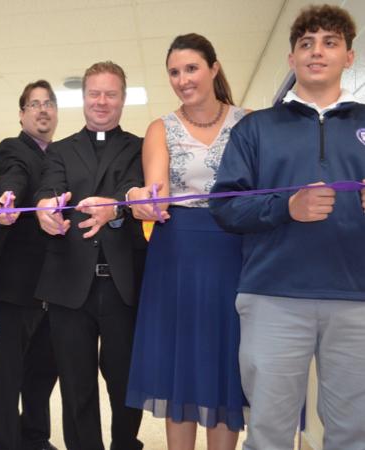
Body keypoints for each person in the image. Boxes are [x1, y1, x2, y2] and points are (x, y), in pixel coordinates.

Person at [209, 5, 365, 449]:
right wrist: (286, 207)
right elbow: (225, 208)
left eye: (330, 43)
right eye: (306, 43)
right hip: (272, 298)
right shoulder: (255, 128)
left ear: (349, 57)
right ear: (291, 58)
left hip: (356, 300)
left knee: (354, 432)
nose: (317, 52)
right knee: (270, 431)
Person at [125, 34, 247, 450]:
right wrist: (144, 200)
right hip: (176, 253)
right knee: (180, 366)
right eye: (174, 72)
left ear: (214, 68)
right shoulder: (161, 127)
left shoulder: (249, 123)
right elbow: (156, 187)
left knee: (223, 362)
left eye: (191, 68)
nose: (182, 79)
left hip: (234, 251)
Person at [34, 61, 145, 450]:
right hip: (69, 286)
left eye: (110, 94)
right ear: (82, 98)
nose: (101, 101)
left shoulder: (140, 147)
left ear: (123, 99)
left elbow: (136, 190)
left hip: (122, 286)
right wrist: (46, 206)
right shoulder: (60, 151)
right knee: (75, 382)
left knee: (124, 381)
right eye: (94, 93)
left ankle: (125, 445)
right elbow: (50, 189)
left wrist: (116, 207)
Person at [0, 80, 59, 450]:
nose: (42, 110)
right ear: (22, 114)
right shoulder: (14, 147)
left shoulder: (62, 154)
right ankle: (2, 441)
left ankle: (35, 437)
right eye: (34, 104)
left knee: (44, 368)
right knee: (9, 368)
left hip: (56, 282)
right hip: (17, 281)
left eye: (48, 104)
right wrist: (8, 199)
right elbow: (13, 175)